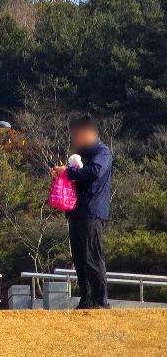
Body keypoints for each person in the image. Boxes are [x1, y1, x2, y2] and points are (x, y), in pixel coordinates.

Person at [51, 113, 113, 309]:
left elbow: (95, 171)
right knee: (79, 258)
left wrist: (68, 172)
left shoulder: (102, 152)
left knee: (92, 256)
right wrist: (63, 173)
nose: (75, 138)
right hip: (76, 211)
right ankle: (86, 299)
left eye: (78, 134)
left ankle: (100, 301)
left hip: (91, 211)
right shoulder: (81, 153)